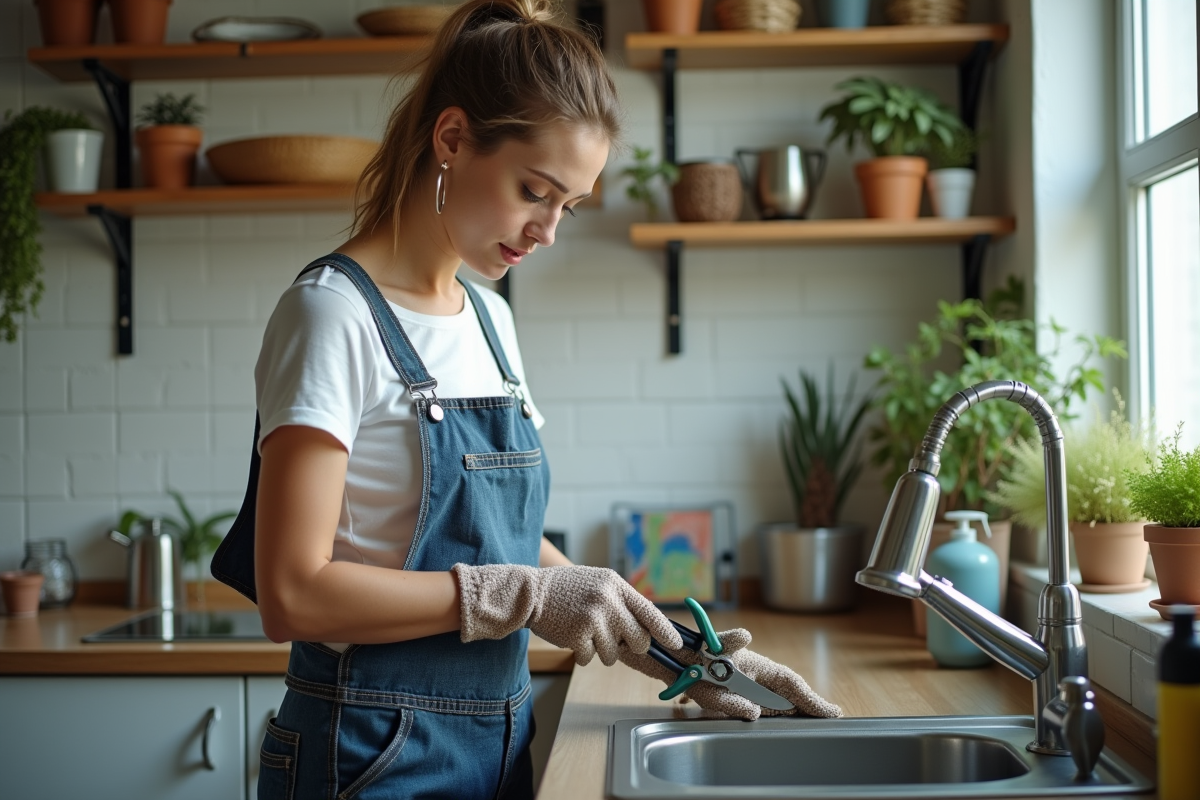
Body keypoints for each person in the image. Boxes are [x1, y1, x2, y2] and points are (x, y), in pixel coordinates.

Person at [211, 2, 841, 798]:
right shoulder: (330, 314)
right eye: (534, 191)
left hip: (500, 739)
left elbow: (507, 544)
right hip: (368, 751)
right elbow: (292, 595)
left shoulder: (490, 319)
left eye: (566, 206)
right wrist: (523, 594)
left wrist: (685, 656)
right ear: (451, 138)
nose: (547, 231)